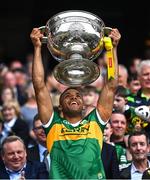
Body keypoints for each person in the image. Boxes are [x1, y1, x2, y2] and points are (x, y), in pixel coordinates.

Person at [30, 27, 121, 179]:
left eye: (78, 95)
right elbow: (39, 85)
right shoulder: (53, 125)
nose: (73, 97)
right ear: (60, 106)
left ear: (84, 105)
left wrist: (112, 49)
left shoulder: (95, 124)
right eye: (68, 96)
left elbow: (111, 86)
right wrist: (37, 47)